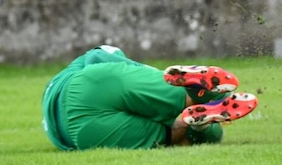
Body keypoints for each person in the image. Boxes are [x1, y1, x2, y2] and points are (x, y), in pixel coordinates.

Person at [42, 45, 258, 151]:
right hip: (93, 83)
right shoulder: (98, 58)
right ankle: (206, 105)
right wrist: (155, 74)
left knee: (171, 138)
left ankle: (192, 123)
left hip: (81, 135)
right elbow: (98, 55)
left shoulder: (52, 96)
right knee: (182, 97)